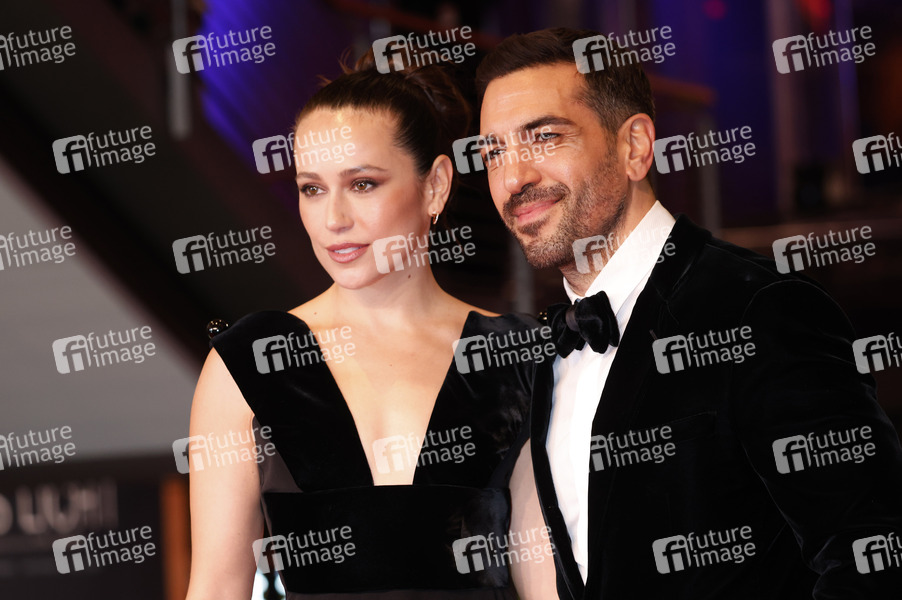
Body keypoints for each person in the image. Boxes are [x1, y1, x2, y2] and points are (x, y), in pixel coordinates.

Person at [475, 27, 902, 599]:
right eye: (494, 152)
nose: (513, 178)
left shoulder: (759, 309)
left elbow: (873, 554)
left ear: (635, 147)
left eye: (545, 137)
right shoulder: (554, 349)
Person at [184, 55, 555, 599]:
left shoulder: (516, 356)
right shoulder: (248, 362)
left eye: (362, 184)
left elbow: (544, 582)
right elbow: (216, 587)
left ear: (435, 186)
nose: (334, 219)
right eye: (312, 188)